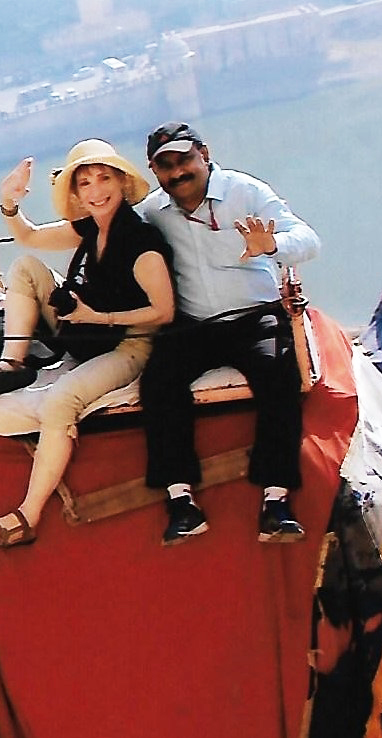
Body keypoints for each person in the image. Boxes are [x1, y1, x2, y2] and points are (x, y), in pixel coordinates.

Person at [0, 139, 176, 548]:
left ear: (121, 182)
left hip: (127, 343)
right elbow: (29, 237)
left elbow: (163, 311)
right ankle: (13, 363)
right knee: (26, 268)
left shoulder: (141, 242)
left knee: (59, 403)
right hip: (83, 328)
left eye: (104, 178)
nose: (96, 190)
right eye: (85, 183)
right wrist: (8, 204)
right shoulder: (90, 227)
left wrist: (97, 317)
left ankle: (28, 514)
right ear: (76, 193)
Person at [137, 122, 321, 545]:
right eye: (165, 166)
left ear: (204, 153)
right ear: (154, 171)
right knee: (159, 383)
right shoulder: (153, 212)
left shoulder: (245, 192)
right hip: (194, 324)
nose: (177, 172)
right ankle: (180, 501)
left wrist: (271, 248)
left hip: (252, 316)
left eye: (184, 160)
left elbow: (308, 239)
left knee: (278, 375)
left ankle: (275, 500)